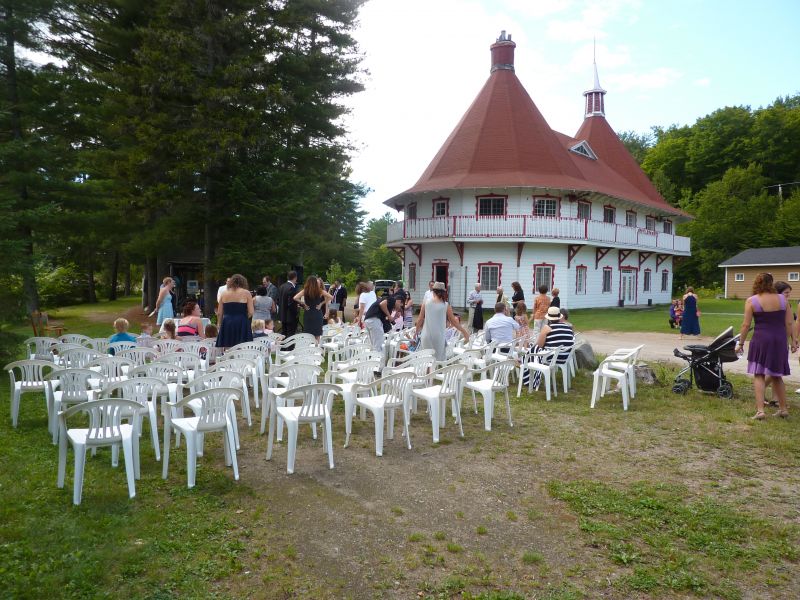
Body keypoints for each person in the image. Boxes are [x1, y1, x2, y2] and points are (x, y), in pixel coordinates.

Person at [737, 273, 796, 420]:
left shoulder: (752, 301)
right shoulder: (783, 300)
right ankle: (783, 409)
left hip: (761, 339)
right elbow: (789, 323)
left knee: (759, 374)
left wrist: (741, 343)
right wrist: (791, 340)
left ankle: (760, 411)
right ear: (771, 283)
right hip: (779, 339)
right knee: (777, 375)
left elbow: (746, 325)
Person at [416, 282, 468, 361]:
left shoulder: (426, 303)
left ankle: (427, 373)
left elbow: (420, 319)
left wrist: (416, 331)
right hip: (439, 336)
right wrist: (464, 332)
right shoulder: (446, 305)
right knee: (436, 362)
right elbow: (454, 322)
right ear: (444, 292)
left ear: (433, 291)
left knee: (426, 360)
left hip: (426, 335)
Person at [526, 307, 576, 389]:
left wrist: (543, 335)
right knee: (534, 349)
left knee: (534, 349)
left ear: (549, 318)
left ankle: (526, 369)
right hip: (565, 357)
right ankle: (523, 361)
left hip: (552, 358)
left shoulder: (547, 328)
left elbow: (540, 345)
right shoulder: (568, 328)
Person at [216, 273, 254, 349]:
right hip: (242, 321)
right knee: (242, 347)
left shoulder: (224, 294)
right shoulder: (246, 293)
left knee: (228, 347)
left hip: (227, 321)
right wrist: (245, 318)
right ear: (243, 282)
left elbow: (219, 313)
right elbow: (251, 312)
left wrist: (219, 324)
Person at [294, 276, 332, 343]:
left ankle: (309, 350)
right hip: (317, 313)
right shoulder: (320, 291)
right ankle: (316, 350)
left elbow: (295, 297)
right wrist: (321, 303)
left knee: (308, 334)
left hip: (308, 313)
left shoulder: (305, 290)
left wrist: (303, 304)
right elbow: (331, 297)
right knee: (317, 335)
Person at [278, 271, 300, 338]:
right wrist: (296, 311)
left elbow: (279, 300)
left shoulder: (282, 286)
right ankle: (290, 349)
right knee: (290, 336)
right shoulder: (291, 288)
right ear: (295, 278)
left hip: (283, 315)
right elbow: (290, 304)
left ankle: (283, 348)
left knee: (283, 334)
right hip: (290, 317)